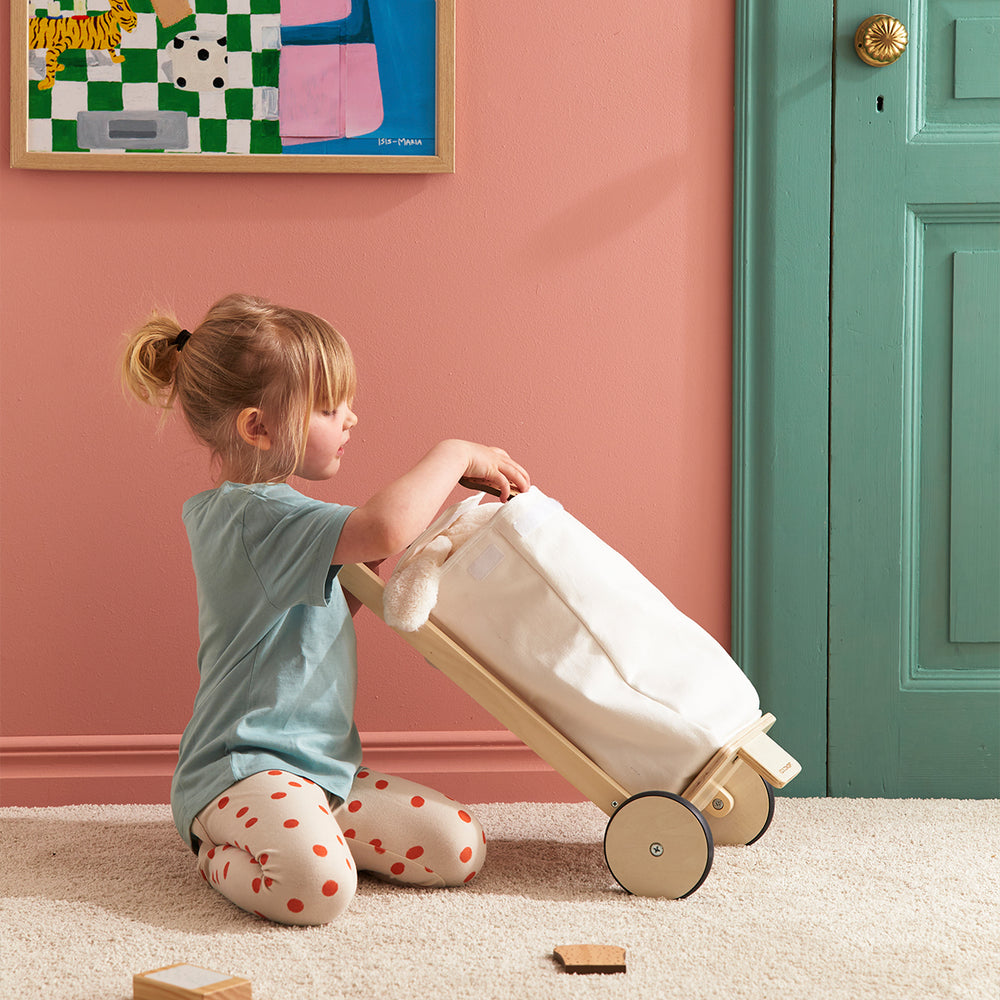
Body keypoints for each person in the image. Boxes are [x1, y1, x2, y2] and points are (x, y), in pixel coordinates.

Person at [120, 293, 530, 925]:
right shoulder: (255, 517)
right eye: (329, 408)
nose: (351, 420)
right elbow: (384, 527)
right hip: (243, 767)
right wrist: (454, 453)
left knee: (459, 847)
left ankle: (314, 831)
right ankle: (214, 846)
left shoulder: (277, 517)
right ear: (257, 427)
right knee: (316, 893)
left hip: (321, 768)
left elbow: (336, 603)